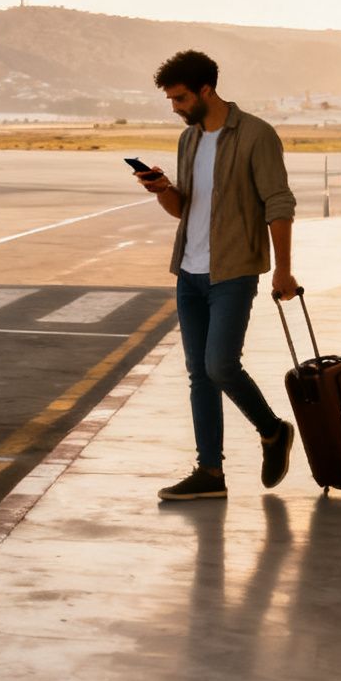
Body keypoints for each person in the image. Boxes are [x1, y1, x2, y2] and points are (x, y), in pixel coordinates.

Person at [134, 50, 298, 501]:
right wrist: (162, 189)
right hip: (189, 272)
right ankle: (210, 472)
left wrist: (283, 269)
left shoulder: (256, 135)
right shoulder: (189, 140)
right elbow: (184, 209)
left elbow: (278, 202)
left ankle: (273, 430)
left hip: (233, 271)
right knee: (199, 375)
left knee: (220, 365)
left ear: (206, 90)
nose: (175, 108)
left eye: (181, 98)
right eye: (171, 100)